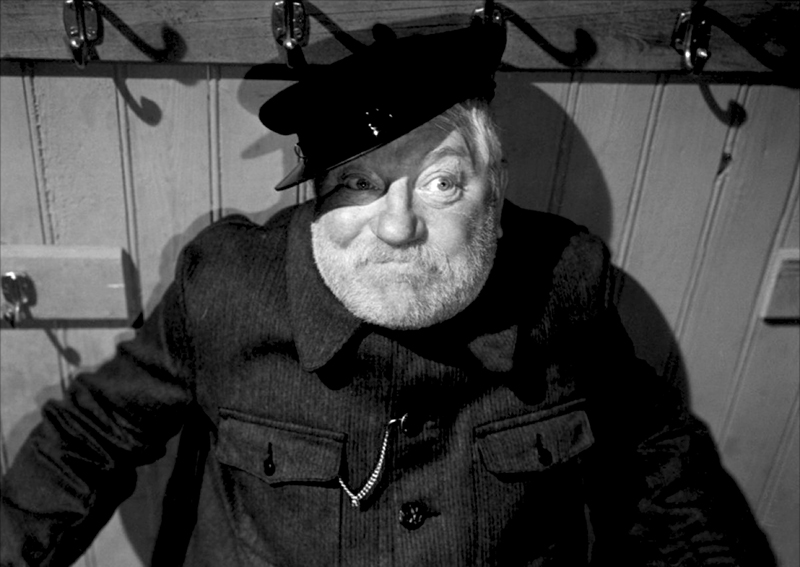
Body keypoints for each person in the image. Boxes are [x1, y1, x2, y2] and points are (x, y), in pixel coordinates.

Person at [0, 23, 775, 567]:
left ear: (495, 189)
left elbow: (661, 463)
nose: (399, 225)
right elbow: (85, 439)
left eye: (442, 182)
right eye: (357, 184)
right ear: (315, 200)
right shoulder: (226, 287)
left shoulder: (564, 283)